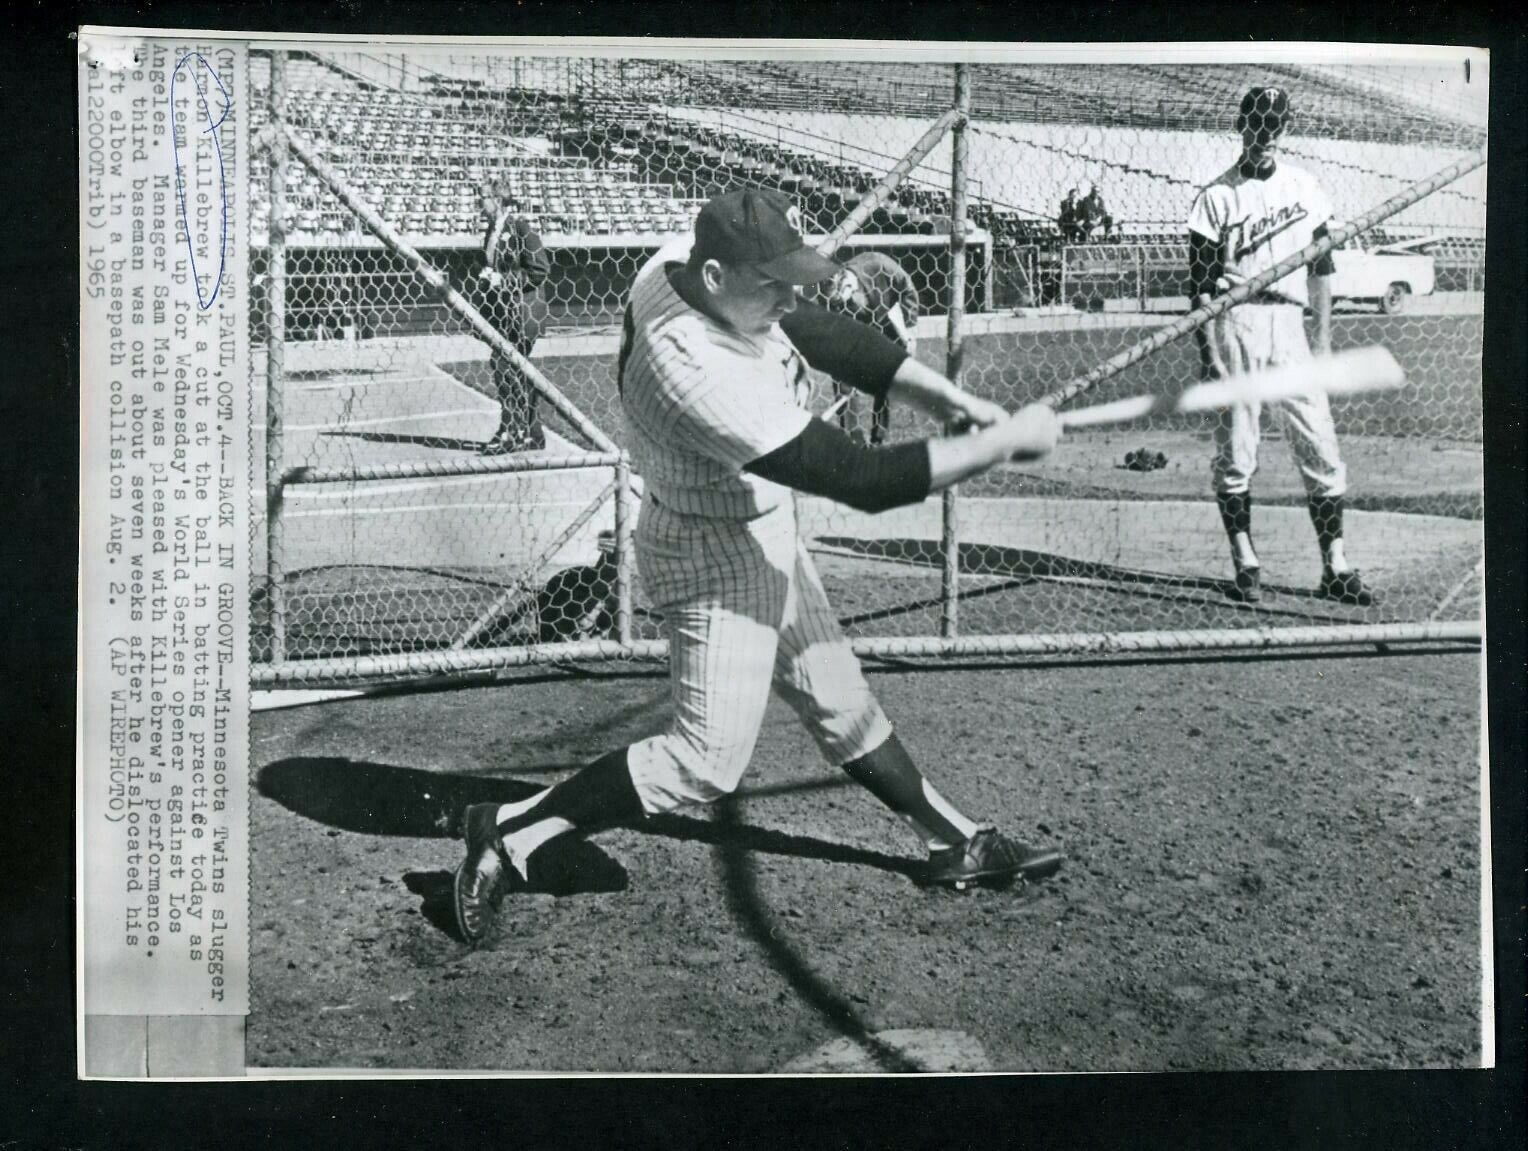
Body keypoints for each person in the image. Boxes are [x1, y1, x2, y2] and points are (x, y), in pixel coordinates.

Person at [453, 187, 1064, 944]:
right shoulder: (693, 371)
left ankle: (954, 840)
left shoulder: (685, 262)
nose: (788, 295)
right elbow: (856, 477)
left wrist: (946, 397)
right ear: (716, 279)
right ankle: (508, 827)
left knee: (840, 699)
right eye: (770, 281)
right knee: (705, 760)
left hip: (757, 518)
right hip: (713, 550)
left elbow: (818, 329)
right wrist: (998, 445)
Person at [1187, 86, 1373, 607]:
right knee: (1237, 451)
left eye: (1275, 124)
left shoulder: (1306, 186)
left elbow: (1322, 269)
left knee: (1320, 445)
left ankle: (1334, 567)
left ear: (1284, 128)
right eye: (1257, 123)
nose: (1265, 134)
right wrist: (1210, 354)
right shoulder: (1217, 195)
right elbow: (1200, 284)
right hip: (1236, 321)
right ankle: (1245, 561)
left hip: (1290, 322)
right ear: (1242, 126)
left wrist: (1323, 341)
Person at [474, 184, 552, 454]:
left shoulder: (521, 228)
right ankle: (529, 432)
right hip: (502, 314)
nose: (478, 202)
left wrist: (503, 280)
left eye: (482, 197)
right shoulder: (491, 231)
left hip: (522, 313)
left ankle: (512, 430)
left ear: (498, 200)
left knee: (504, 366)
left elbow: (540, 269)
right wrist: (487, 277)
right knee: (515, 369)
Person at [824, 250, 922, 445]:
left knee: (886, 379)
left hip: (886, 320)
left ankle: (879, 438)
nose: (848, 308)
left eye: (849, 302)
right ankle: (853, 438)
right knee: (842, 376)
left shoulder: (879, 264)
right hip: (852, 330)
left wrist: (910, 330)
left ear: (851, 285)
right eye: (842, 306)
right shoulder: (831, 294)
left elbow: (908, 289)